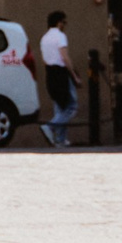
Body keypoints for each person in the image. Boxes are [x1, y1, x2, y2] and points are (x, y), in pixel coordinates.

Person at [39, 11, 77, 147]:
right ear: (59, 22)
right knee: (71, 106)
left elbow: (44, 59)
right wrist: (74, 75)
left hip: (50, 73)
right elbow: (64, 57)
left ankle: (60, 139)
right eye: (64, 22)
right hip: (61, 72)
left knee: (60, 106)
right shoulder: (60, 36)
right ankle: (50, 127)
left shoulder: (44, 38)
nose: (65, 25)